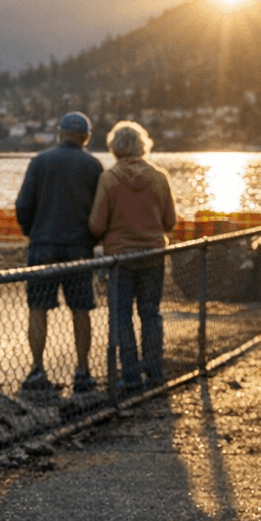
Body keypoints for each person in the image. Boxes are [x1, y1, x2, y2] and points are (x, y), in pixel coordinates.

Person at [14, 111, 104, 393]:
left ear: (60, 133)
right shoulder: (93, 166)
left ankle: (37, 369)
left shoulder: (40, 162)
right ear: (86, 137)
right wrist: (91, 238)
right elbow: (100, 210)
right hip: (79, 247)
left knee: (38, 308)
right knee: (81, 309)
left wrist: (34, 232)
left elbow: (22, 205)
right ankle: (82, 370)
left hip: (43, 246)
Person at [88, 120, 177, 391]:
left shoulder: (109, 178)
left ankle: (129, 375)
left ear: (114, 147)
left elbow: (96, 224)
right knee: (151, 314)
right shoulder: (159, 177)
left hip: (120, 259)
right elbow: (170, 222)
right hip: (153, 254)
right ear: (143, 145)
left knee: (121, 316)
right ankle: (154, 371)